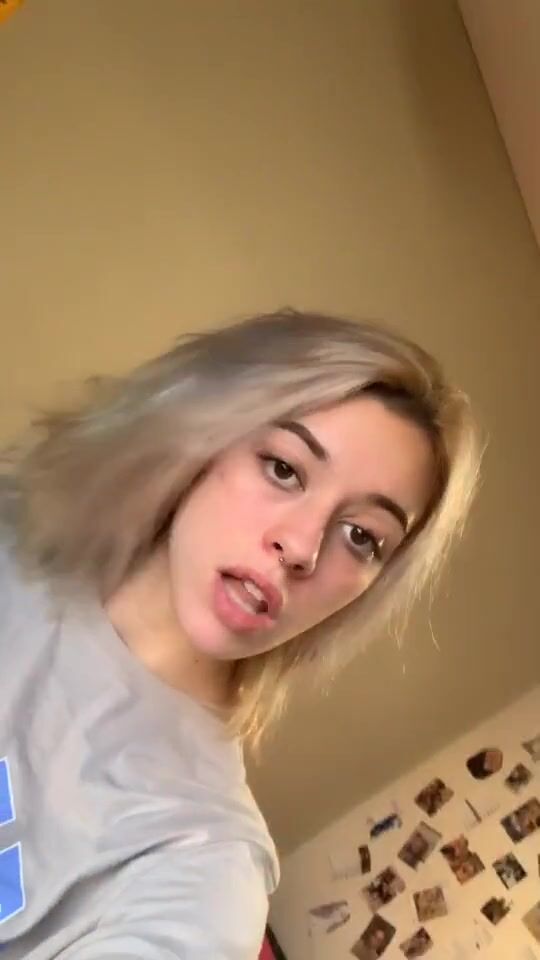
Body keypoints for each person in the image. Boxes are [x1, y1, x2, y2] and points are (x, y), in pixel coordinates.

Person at [0, 309, 479, 958]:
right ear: (197, 435)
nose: (301, 546)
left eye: (362, 536)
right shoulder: (11, 524)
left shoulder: (207, 859)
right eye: (284, 469)